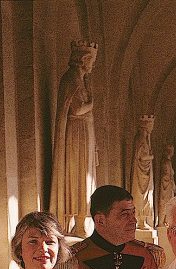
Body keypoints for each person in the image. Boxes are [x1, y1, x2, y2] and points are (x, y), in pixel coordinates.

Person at [50, 41, 98, 237]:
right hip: (76, 134)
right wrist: (91, 103)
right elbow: (77, 109)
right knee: (77, 177)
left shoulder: (80, 80)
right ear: (84, 59)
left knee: (84, 177)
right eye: (92, 60)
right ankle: (76, 222)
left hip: (83, 133)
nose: (92, 65)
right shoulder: (71, 78)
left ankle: (80, 222)